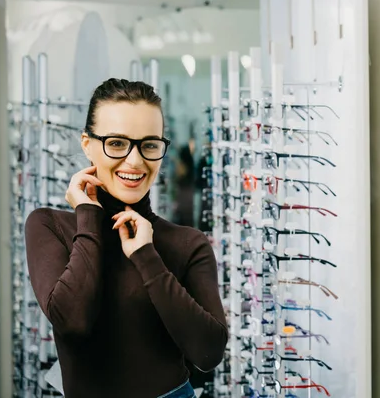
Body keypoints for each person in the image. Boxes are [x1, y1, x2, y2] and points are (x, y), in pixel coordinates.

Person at [24, 79, 228, 398]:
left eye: (149, 144)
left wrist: (147, 257)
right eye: (117, 143)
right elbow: (72, 322)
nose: (134, 161)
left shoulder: (188, 243)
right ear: (87, 144)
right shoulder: (50, 226)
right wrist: (88, 215)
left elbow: (208, 353)